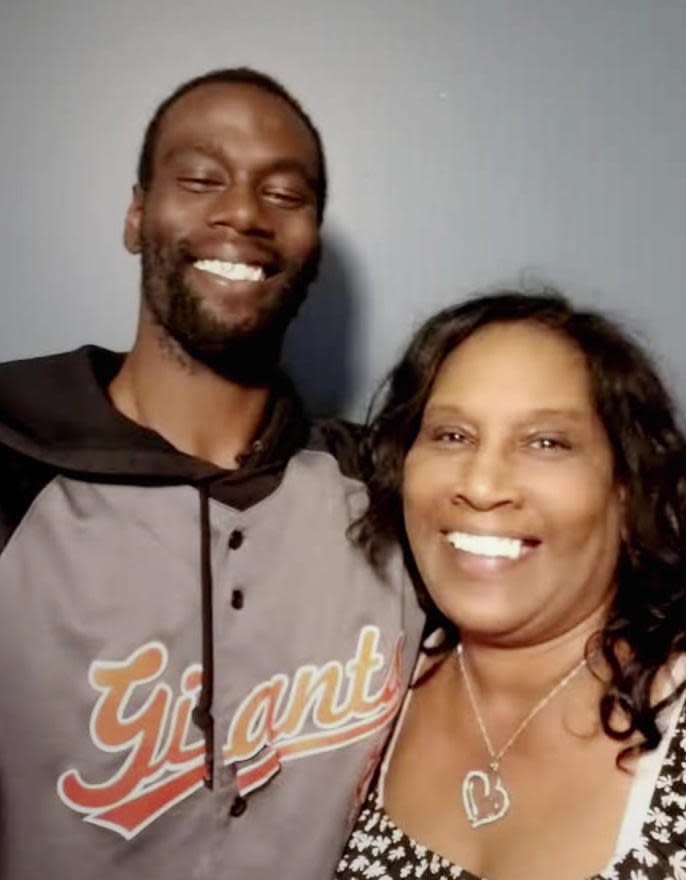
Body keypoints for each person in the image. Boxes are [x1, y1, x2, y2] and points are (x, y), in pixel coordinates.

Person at [0, 68, 423, 879]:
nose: (242, 213)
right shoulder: (12, 465)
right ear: (136, 215)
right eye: (201, 179)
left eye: (286, 196)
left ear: (311, 247)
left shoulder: (389, 496)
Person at [336, 291, 686, 880]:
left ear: (627, 489)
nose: (482, 483)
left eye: (546, 443)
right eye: (451, 436)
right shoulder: (360, 691)